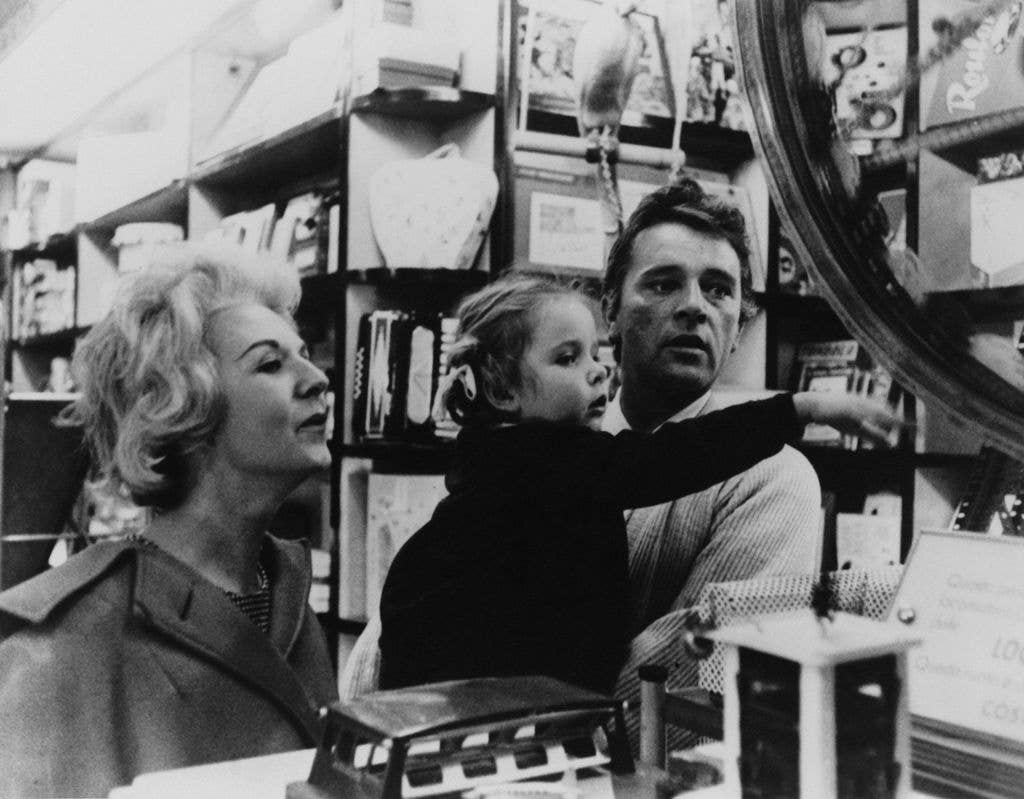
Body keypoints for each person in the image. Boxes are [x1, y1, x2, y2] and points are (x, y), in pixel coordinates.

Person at [378, 272, 899, 696]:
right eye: (567, 358)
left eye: (596, 354)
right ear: (500, 388)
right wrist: (801, 408)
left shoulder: (492, 462)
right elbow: (675, 455)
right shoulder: (551, 458)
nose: (597, 372)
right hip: (500, 701)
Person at [0, 244, 338, 798]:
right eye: (270, 364)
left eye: (304, 355)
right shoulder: (62, 641)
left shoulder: (289, 598)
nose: (317, 378)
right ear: (185, 409)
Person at [600, 179, 825, 720]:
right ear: (610, 310)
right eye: (663, 284)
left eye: (719, 290)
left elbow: (689, 675)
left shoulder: (773, 477)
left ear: (740, 326)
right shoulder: (542, 444)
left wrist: (521, 733)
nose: (693, 307)